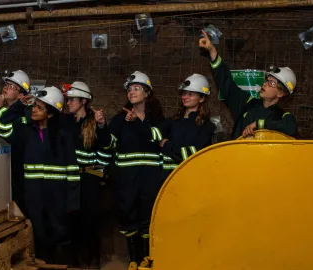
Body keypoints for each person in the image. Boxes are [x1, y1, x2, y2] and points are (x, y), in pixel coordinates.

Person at [0, 86, 80, 267]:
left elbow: (73, 170)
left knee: (60, 234)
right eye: (34, 106)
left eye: (40, 107)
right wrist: (18, 105)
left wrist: (72, 201)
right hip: (34, 196)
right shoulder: (25, 132)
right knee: (39, 235)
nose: (34, 110)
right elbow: (0, 126)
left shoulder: (64, 134)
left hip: (58, 196)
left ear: (50, 112)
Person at [107, 71, 165, 269]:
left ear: (147, 93)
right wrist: (100, 128)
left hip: (150, 179)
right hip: (126, 180)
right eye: (129, 89)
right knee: (128, 218)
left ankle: (147, 260)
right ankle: (133, 259)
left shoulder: (157, 119)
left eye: (137, 88)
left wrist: (137, 122)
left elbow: (157, 138)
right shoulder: (119, 119)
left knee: (147, 220)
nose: (132, 92)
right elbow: (107, 144)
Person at [199, 30, 298, 139]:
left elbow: (291, 128)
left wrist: (259, 124)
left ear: (280, 93)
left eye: (271, 83)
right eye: (266, 81)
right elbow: (226, 82)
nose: (265, 84)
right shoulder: (247, 103)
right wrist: (212, 51)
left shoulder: (282, 116)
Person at [63, 81, 112, 268]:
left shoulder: (94, 123)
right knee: (71, 221)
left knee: (89, 221)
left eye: (72, 99)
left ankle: (93, 260)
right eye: (68, 100)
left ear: (83, 100)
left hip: (88, 180)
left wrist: (97, 176)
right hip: (70, 180)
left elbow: (106, 150)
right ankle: (75, 261)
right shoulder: (66, 123)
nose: (69, 103)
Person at [149, 74, 215, 176]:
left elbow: (194, 155)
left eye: (191, 94)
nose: (185, 97)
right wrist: (137, 119)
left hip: (191, 177)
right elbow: (151, 134)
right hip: (167, 178)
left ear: (202, 98)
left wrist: (167, 145)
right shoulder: (172, 121)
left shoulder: (206, 126)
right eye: (184, 93)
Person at [0, 70, 30, 216]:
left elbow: (3, 130)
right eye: (6, 84)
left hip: (19, 171)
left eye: (12, 86)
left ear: (21, 96)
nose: (6, 88)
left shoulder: (25, 115)